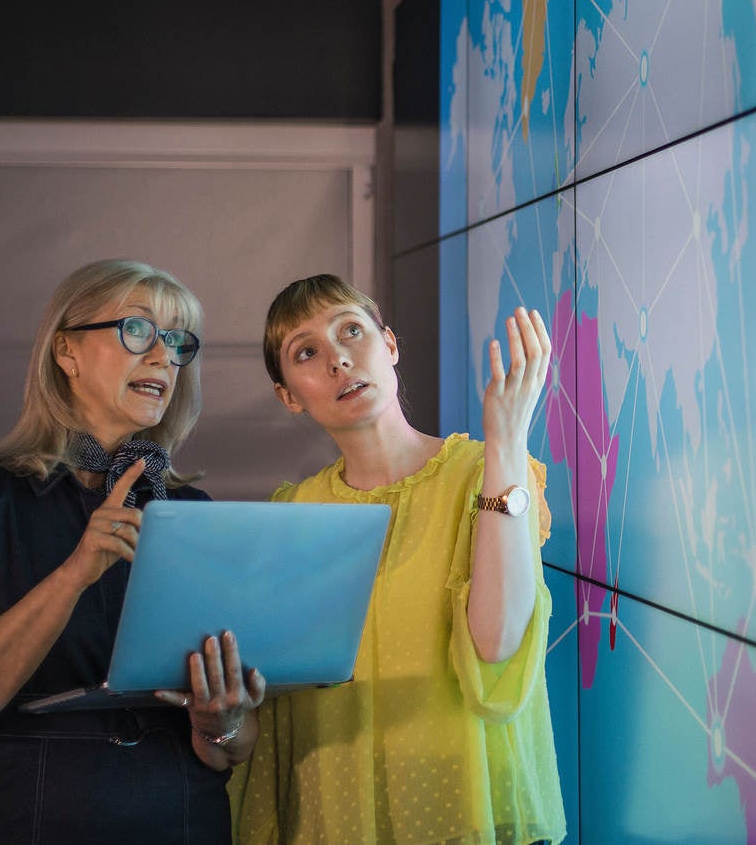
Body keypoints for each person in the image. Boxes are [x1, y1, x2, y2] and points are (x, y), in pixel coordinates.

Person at [230, 274, 565, 844]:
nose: (338, 359)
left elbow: (498, 644)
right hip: (334, 813)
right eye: (306, 352)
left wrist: (506, 442)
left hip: (467, 807)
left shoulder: (489, 471)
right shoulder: (291, 514)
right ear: (289, 395)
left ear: (389, 345)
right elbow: (269, 705)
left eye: (351, 332)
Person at [0, 259, 265, 843]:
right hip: (34, 813)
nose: (164, 356)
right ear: (66, 352)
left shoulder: (195, 512)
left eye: (176, 340)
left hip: (184, 816)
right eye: (137, 330)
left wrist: (222, 721)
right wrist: (75, 573)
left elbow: (232, 752)